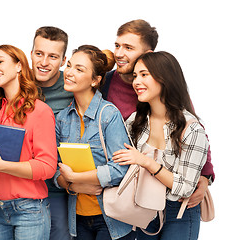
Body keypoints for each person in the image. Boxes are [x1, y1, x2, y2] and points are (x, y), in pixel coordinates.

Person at [100, 19, 214, 209]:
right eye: (117, 46)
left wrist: (204, 175)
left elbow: (194, 132)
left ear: (148, 55)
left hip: (172, 191)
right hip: (131, 192)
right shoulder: (107, 82)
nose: (119, 54)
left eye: (128, 47)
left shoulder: (167, 89)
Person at [113, 51, 209, 239]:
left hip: (180, 211)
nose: (136, 82)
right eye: (135, 76)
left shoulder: (192, 129)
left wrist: (146, 162)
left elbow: (186, 188)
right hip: (143, 207)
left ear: (165, 78)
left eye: (144, 75)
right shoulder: (135, 121)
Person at [54, 45, 135, 240]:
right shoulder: (62, 119)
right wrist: (73, 186)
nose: (70, 73)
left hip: (110, 220)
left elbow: (121, 170)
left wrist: (76, 177)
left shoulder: (108, 114)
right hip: (78, 219)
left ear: (95, 80)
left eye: (79, 69)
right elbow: (55, 171)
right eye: (70, 66)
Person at [0, 44, 57, 240]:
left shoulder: (39, 111)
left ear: (18, 66)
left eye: (0, 62)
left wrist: (1, 166)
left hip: (29, 209)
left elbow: (48, 167)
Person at [30, 26, 73, 240]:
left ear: (64, 60)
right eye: (39, 54)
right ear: (31, 53)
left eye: (53, 56)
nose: (44, 62)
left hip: (58, 189)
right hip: (22, 186)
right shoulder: (18, 83)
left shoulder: (74, 86)